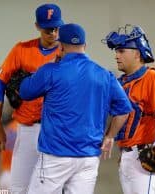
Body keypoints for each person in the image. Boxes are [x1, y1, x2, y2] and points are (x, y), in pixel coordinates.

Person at [19, 23, 132, 194]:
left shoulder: (51, 70)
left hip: (55, 156)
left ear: (61, 46)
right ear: (85, 46)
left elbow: (25, 92)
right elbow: (124, 109)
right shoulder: (104, 74)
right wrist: (109, 137)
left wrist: (40, 70)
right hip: (88, 158)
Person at [0, 4, 64, 193]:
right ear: (38, 26)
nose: (53, 32)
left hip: (58, 130)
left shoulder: (68, 53)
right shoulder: (21, 50)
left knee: (54, 189)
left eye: (56, 28)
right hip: (28, 129)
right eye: (48, 29)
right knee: (18, 188)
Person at [103, 25, 155, 194]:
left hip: (148, 153)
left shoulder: (153, 78)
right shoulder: (122, 82)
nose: (116, 56)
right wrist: (125, 151)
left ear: (137, 53)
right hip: (129, 155)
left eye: (121, 51)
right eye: (116, 51)